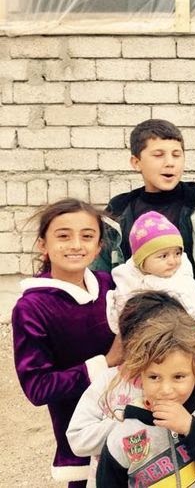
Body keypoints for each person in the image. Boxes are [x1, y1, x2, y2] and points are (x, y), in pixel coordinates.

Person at [12, 198, 118, 487]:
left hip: (131, 426)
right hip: (82, 438)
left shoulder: (109, 285)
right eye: (63, 236)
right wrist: (105, 363)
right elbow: (37, 387)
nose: (76, 245)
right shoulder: (32, 307)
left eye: (87, 236)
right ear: (43, 244)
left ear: (99, 246)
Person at [93, 118, 195, 285]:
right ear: (136, 162)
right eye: (158, 155)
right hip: (135, 300)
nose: (170, 163)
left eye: (176, 155)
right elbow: (99, 275)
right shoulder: (118, 211)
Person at [96, 311, 195, 486]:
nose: (166, 390)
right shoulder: (124, 433)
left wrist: (191, 427)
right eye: (154, 377)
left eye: (178, 377)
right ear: (139, 375)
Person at [67, 291, 187, 485]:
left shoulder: (185, 385)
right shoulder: (108, 382)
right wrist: (130, 420)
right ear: (128, 341)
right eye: (148, 344)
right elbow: (77, 439)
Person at [106, 210, 195, 333]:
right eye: (163, 256)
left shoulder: (182, 279)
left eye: (177, 253)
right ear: (141, 260)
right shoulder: (127, 280)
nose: (172, 261)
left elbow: (192, 310)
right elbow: (121, 316)